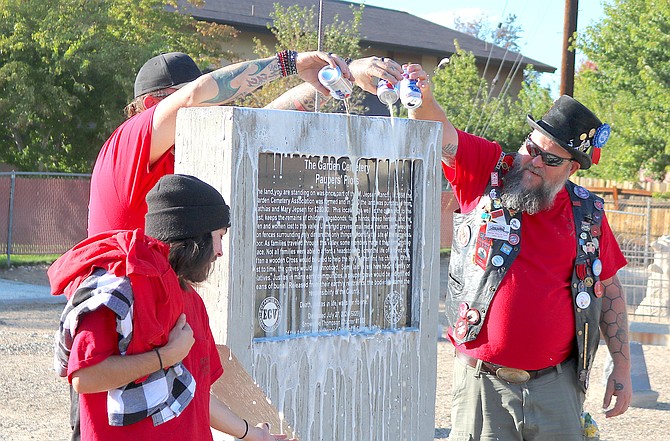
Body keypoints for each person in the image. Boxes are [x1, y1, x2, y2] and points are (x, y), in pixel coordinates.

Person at [407, 64, 631, 440]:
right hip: (482, 384)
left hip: (558, 387)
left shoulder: (587, 214)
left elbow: (609, 291)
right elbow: (437, 131)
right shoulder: (485, 170)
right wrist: (422, 99)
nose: (534, 161)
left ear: (572, 168)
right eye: (532, 148)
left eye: (551, 159)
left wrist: (621, 369)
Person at [50, 174, 294, 441]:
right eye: (219, 236)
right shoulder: (121, 288)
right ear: (195, 234)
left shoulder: (192, 301)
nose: (221, 251)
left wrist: (253, 434)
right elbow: (84, 377)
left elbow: (195, 395)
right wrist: (165, 357)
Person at [87, 51, 404, 236]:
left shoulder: (191, 147)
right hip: (120, 310)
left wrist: (339, 74)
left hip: (158, 304)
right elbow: (196, 95)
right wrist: (290, 63)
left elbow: (265, 117)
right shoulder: (130, 140)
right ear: (151, 105)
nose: (212, 107)